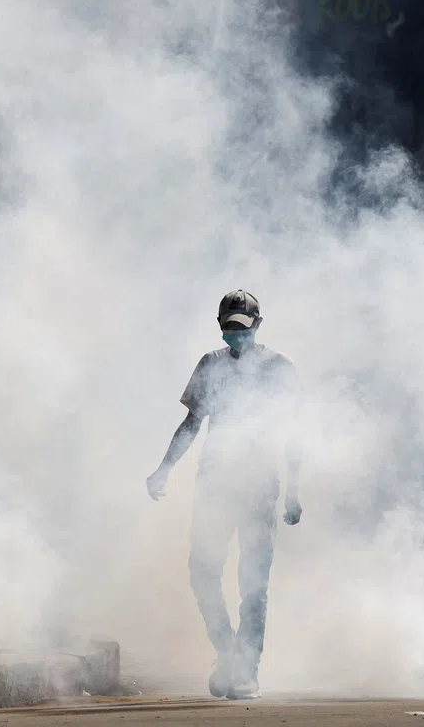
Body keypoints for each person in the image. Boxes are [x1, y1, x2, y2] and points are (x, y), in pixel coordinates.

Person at [147, 290, 303, 701]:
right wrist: (164, 469)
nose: (237, 337)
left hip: (258, 488)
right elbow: (191, 423)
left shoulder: (279, 369)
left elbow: (294, 434)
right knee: (203, 573)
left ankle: (247, 671)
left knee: (253, 584)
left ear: (257, 324)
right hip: (215, 485)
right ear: (221, 328)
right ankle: (229, 655)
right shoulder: (210, 365)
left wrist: (293, 491)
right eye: (229, 329)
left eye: (243, 329)